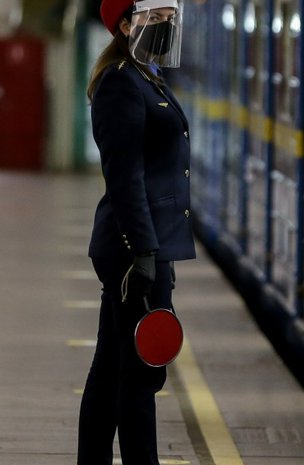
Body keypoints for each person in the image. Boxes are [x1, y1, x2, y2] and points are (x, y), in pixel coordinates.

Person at [78, 0, 194, 464]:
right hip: (134, 248)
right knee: (142, 375)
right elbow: (124, 178)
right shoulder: (121, 83)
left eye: (170, 19)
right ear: (127, 24)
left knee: (112, 369)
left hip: (145, 243)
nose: (165, 26)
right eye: (155, 18)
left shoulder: (144, 76)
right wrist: (143, 251)